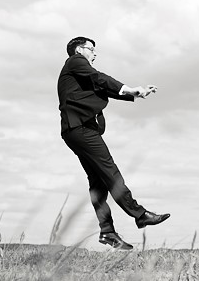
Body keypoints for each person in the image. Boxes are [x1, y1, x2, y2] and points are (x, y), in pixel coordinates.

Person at [57, 36, 170, 250]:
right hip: (80, 128)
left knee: (98, 181)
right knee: (110, 172)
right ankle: (139, 214)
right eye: (92, 50)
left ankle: (107, 232)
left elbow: (104, 88)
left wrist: (136, 93)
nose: (95, 54)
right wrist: (128, 88)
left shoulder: (80, 75)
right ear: (80, 50)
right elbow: (100, 78)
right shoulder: (75, 62)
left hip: (76, 130)